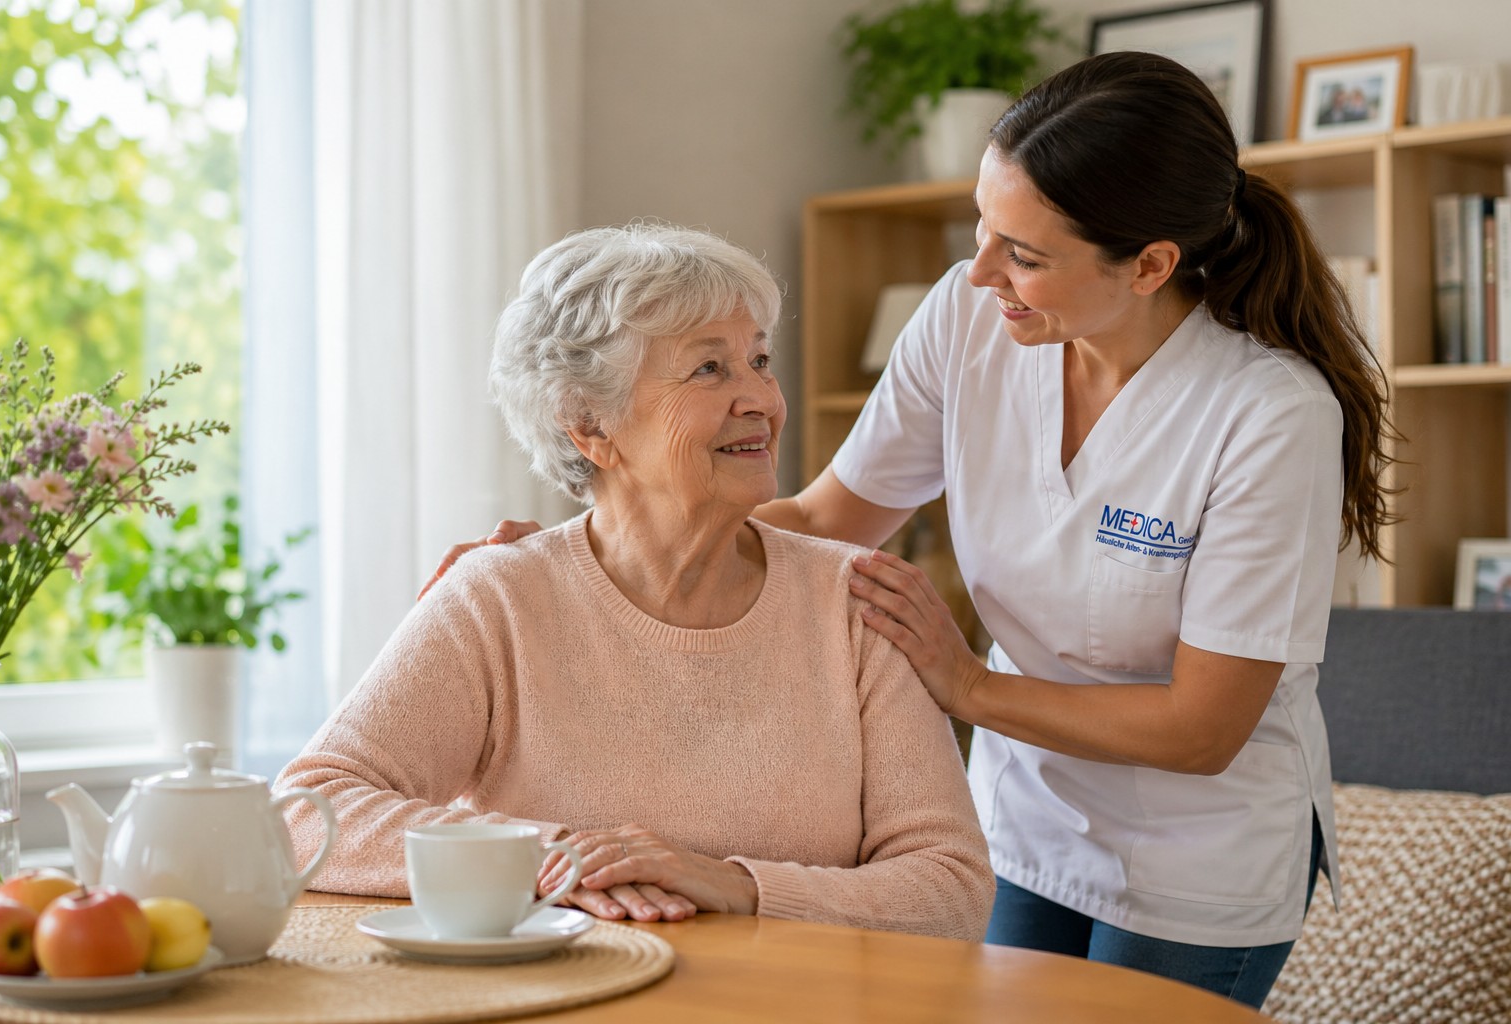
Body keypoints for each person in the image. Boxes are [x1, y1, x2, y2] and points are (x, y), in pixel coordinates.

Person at [422, 52, 1396, 1008]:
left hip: (1198, 851)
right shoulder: (970, 323)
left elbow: (1202, 728)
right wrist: (582, 553)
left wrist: (966, 685)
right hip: (1028, 822)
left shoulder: (1267, 414)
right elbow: (822, 520)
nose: (981, 273)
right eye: (984, 228)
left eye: (1025, 256)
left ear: (1149, 265)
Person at [278, 223, 994, 942]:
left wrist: (736, 885)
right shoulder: (500, 597)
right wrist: (559, 858)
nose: (760, 399)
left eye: (759, 360)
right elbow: (305, 815)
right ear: (589, 425)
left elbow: (952, 887)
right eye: (709, 369)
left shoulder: (856, 602)